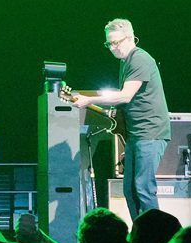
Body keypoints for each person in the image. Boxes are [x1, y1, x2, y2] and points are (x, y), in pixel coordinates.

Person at [65, 19, 171, 218]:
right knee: (130, 190)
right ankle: (140, 234)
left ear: (130, 38)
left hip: (150, 132)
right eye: (109, 44)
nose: (112, 48)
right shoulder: (125, 62)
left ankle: (156, 237)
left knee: (143, 188)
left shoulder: (140, 59)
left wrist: (89, 100)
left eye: (116, 42)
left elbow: (125, 95)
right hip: (135, 133)